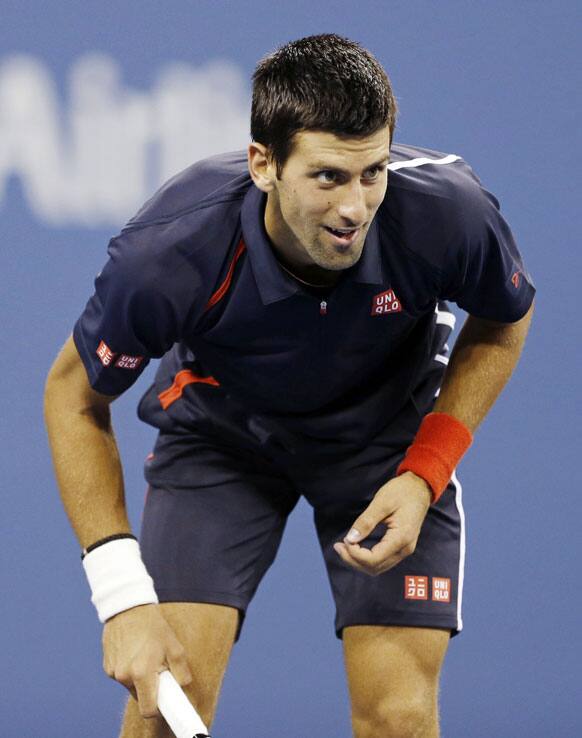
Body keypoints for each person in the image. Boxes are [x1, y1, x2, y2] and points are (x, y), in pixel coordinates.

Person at [44, 33, 535, 738]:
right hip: (223, 442)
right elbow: (73, 397)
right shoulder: (170, 254)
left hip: (385, 445)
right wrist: (122, 600)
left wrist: (425, 473)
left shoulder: (447, 213)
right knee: (166, 711)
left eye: (373, 172)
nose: (355, 208)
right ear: (262, 163)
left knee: (399, 718)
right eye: (328, 177)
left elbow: (505, 321)